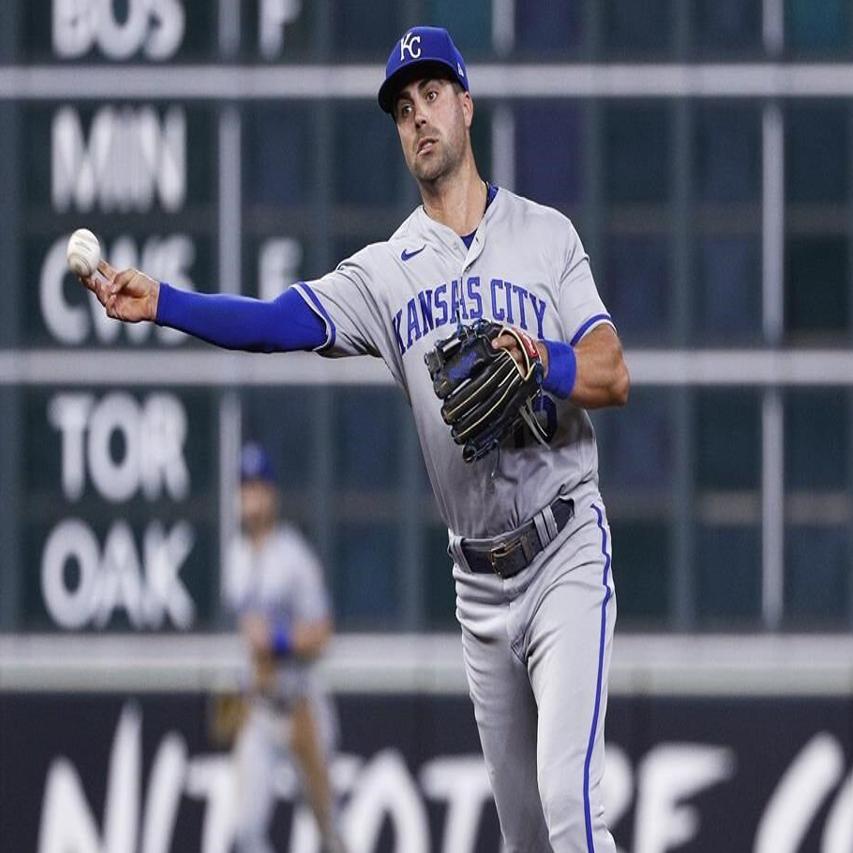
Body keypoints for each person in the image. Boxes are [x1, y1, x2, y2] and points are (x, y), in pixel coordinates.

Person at [79, 26, 629, 852]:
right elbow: (276, 324)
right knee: (524, 838)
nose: (419, 117)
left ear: (466, 104)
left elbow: (610, 372)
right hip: (478, 583)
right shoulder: (386, 270)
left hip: (564, 552)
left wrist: (539, 358)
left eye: (432, 94)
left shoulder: (544, 236)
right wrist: (164, 302)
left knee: (566, 801)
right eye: (403, 107)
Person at [224, 441, 344, 853]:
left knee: (328, 829)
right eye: (244, 487)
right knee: (246, 832)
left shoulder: (294, 557)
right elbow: (243, 644)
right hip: (259, 710)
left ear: (271, 493)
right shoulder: (234, 559)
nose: (250, 495)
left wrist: (276, 639)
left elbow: (322, 632)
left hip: (301, 706)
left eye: (256, 486)